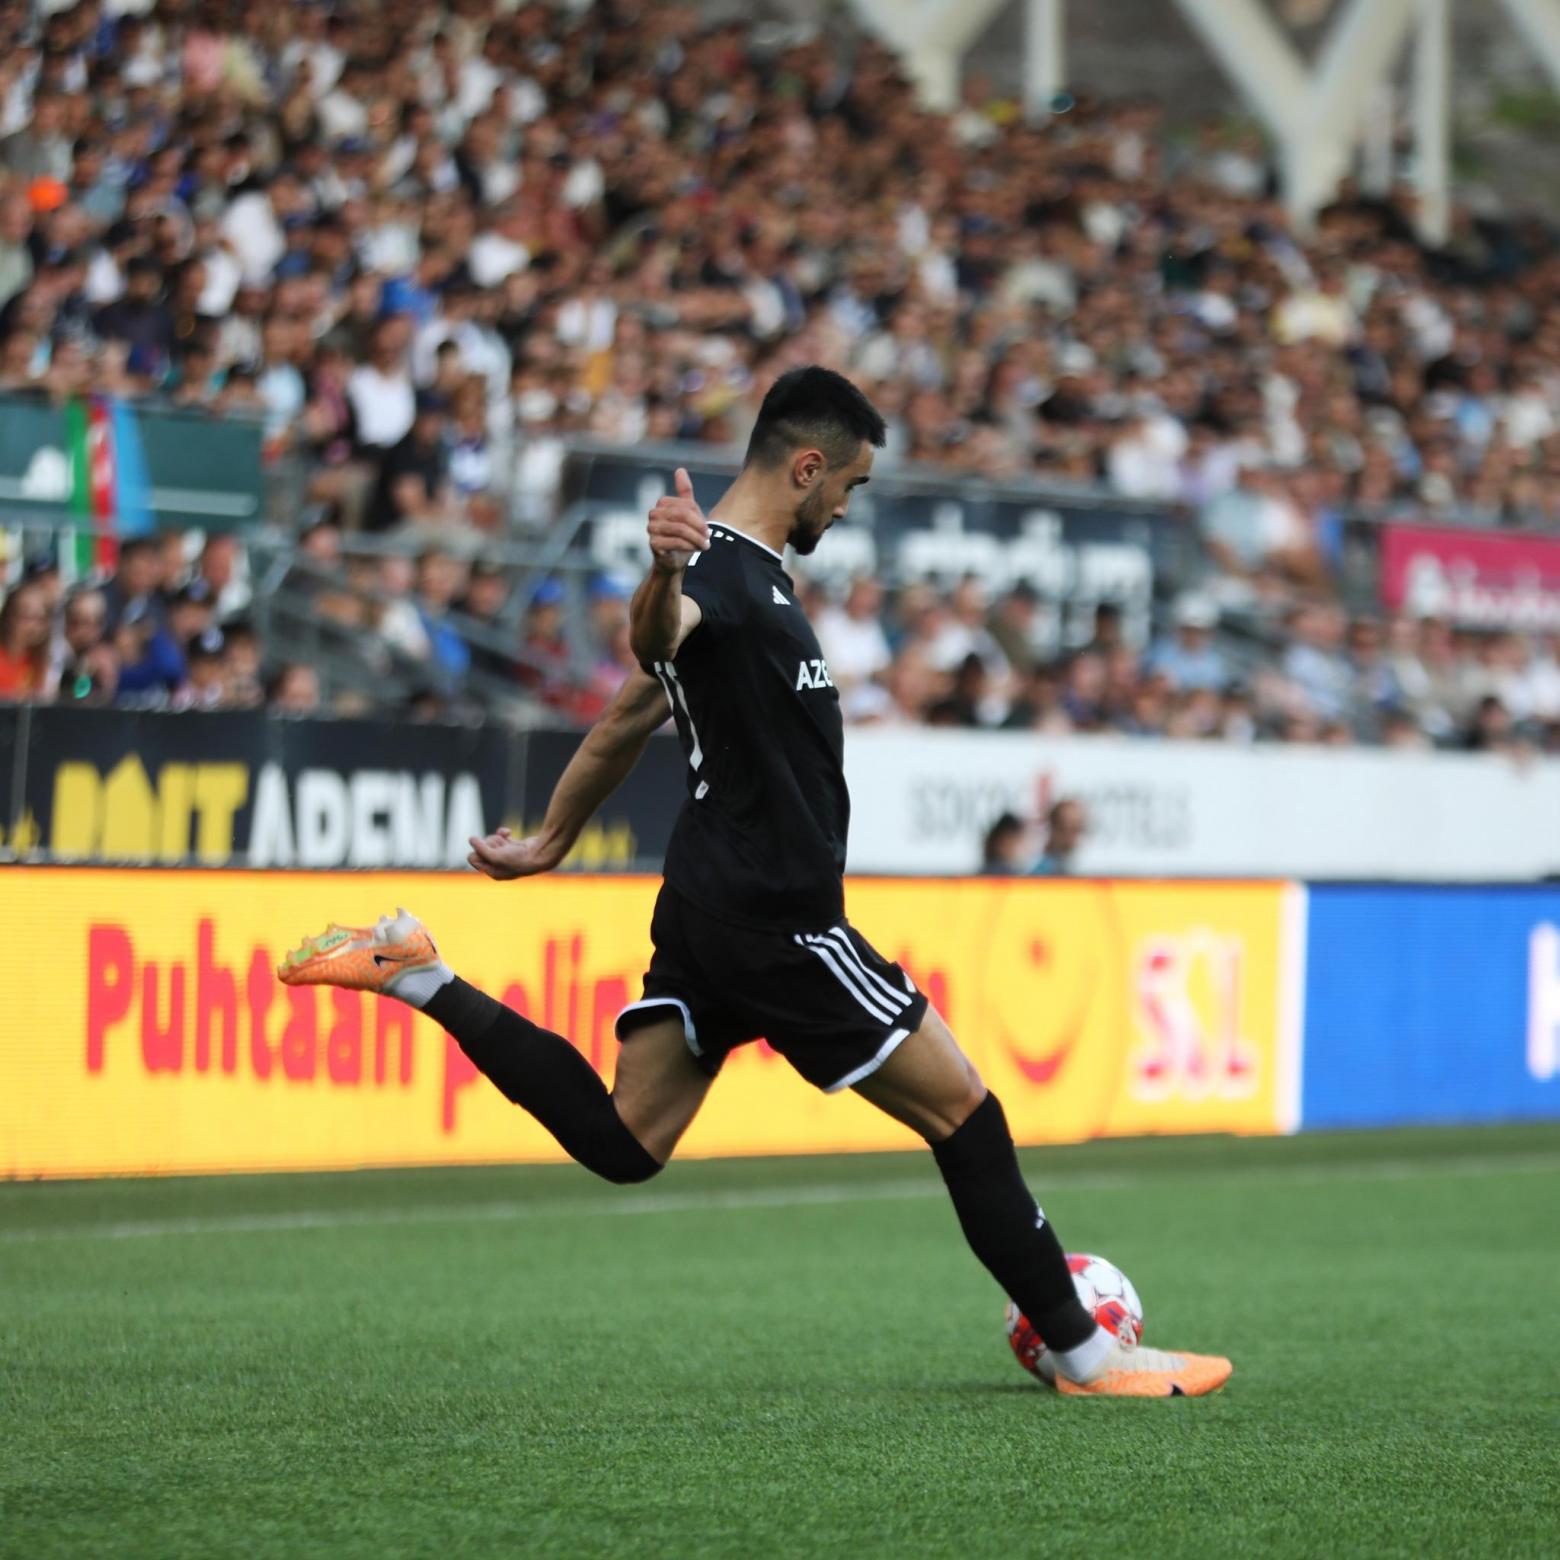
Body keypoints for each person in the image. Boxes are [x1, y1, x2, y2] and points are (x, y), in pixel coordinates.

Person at [277, 366, 1230, 1398]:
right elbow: (658, 634)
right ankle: (1085, 1353)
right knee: (964, 1111)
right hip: (780, 919)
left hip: (707, 906)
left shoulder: (753, 581)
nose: (846, 506)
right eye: (849, 485)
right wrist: (661, 577)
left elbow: (626, 715)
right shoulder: (718, 576)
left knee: (627, 1141)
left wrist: (554, 836)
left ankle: (418, 974)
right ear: (808, 467)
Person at [1031, 798, 1088, 877]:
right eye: (1065, 829)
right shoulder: (1042, 870)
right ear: (1053, 828)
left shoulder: (1078, 865)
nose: (1071, 837)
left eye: (1076, 829)